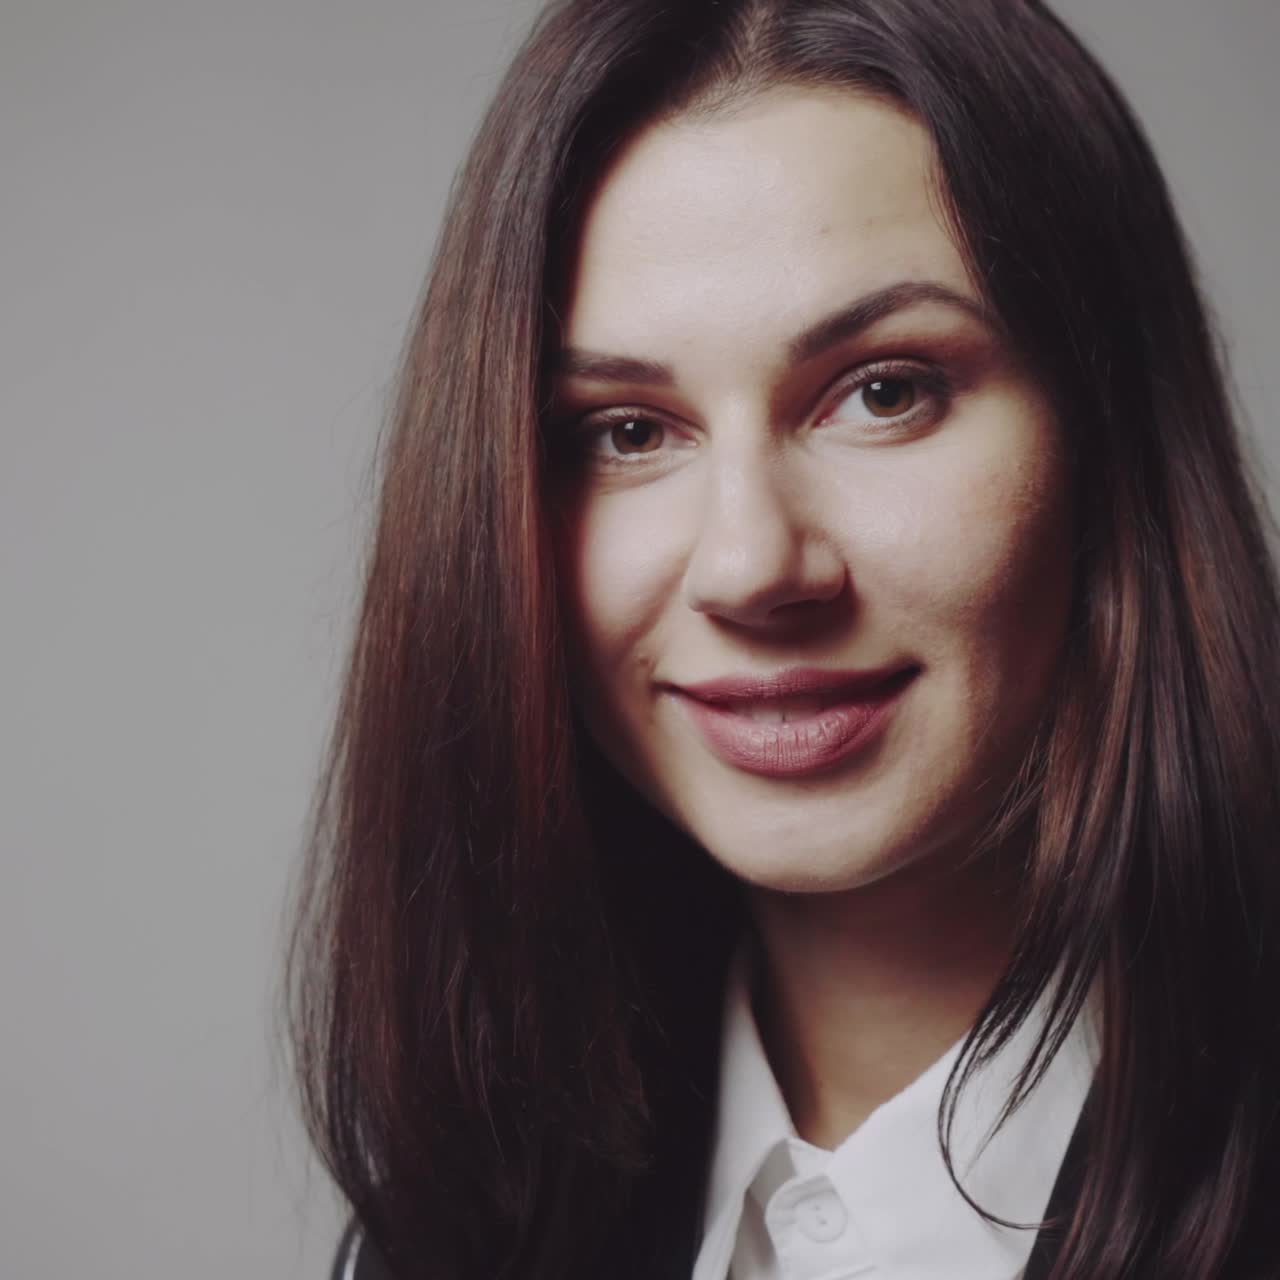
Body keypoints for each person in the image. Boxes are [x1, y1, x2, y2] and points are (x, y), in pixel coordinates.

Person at [285, 1, 1280, 1277]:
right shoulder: (459, 1239)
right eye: (628, 431)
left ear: (1108, 431)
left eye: (884, 390)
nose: (753, 566)